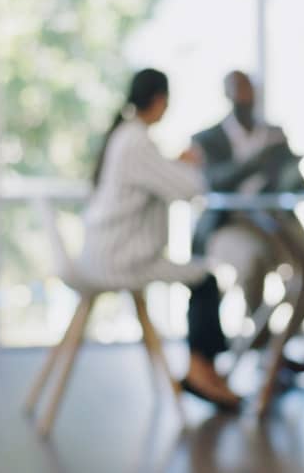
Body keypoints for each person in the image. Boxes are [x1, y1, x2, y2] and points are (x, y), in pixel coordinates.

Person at [79, 68, 240, 409]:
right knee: (204, 279)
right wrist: (190, 164)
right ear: (160, 100)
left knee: (201, 276)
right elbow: (190, 189)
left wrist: (171, 162)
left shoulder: (125, 136)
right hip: (122, 260)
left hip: (105, 254)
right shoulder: (137, 141)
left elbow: (153, 175)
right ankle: (201, 370)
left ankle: (206, 370)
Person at [191, 70, 304, 374]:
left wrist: (299, 173)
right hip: (230, 224)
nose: (245, 97)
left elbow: (290, 182)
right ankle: (260, 344)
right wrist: (257, 160)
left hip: (276, 221)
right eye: (238, 91)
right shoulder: (208, 139)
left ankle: (277, 343)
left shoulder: (275, 133)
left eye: (249, 90)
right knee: (252, 260)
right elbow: (212, 181)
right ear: (227, 95)